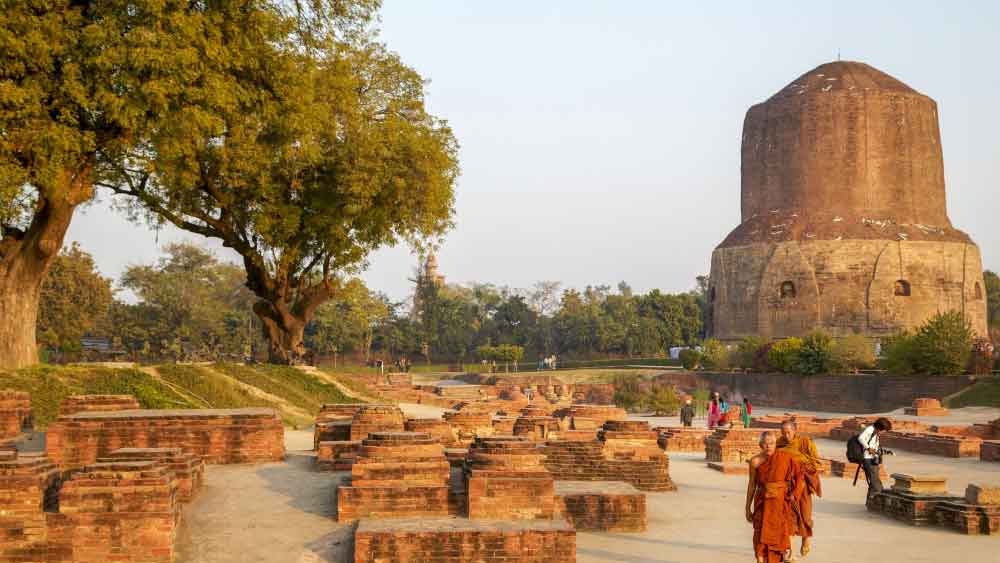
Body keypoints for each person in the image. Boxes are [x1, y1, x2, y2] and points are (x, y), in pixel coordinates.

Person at [746, 431, 804, 563]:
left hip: (780, 502)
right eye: (765, 443)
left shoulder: (785, 457)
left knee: (781, 533)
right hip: (763, 501)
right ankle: (760, 560)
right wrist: (747, 508)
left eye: (771, 443)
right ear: (760, 445)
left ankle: (782, 557)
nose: (769, 446)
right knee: (759, 533)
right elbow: (751, 485)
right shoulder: (755, 461)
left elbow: (799, 476)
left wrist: (794, 494)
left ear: (775, 444)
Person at [777, 421, 822, 558]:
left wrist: (799, 462)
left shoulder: (805, 443)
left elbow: (817, 464)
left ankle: (806, 538)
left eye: (788, 432)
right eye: (783, 432)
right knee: (788, 518)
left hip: (802, 485)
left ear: (794, 431)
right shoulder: (779, 443)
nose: (786, 435)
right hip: (787, 486)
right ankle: (790, 550)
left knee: (806, 515)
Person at [858, 417, 893, 500]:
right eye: (884, 430)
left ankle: (870, 502)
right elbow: (861, 438)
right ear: (880, 427)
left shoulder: (876, 432)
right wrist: (868, 448)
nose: (884, 432)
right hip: (868, 459)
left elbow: (875, 446)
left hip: (873, 459)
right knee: (875, 482)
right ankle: (879, 498)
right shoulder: (870, 429)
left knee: (873, 481)